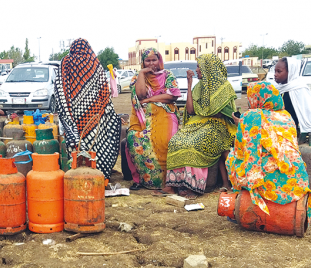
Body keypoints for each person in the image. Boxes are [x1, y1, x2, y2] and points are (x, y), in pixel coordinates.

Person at [226, 81, 311, 219]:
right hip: (296, 176)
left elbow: (246, 152)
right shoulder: (286, 115)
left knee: (231, 158)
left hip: (269, 178)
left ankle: (241, 204)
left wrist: (242, 123)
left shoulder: (251, 116)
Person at [159, 54, 237, 199]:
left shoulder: (224, 87)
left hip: (217, 126)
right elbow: (190, 110)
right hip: (197, 124)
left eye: (199, 67)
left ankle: (193, 186)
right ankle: (173, 185)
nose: (197, 70)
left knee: (194, 143)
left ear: (209, 69)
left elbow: (220, 114)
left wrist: (205, 112)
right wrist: (189, 84)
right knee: (176, 141)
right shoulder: (198, 87)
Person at [54, 38, 121, 179]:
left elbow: (59, 89)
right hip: (94, 115)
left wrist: (66, 115)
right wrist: (104, 111)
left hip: (73, 114)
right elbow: (104, 92)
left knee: (76, 145)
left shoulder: (65, 63)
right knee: (95, 144)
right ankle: (98, 175)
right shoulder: (94, 64)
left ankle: (76, 177)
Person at [125, 48, 181, 190]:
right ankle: (142, 181)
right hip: (141, 117)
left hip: (165, 114)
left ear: (159, 60)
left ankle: (165, 181)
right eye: (147, 60)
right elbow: (141, 95)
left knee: (165, 138)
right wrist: (142, 74)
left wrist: (151, 99)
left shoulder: (168, 75)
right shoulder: (137, 77)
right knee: (133, 139)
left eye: (154, 60)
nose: (151, 63)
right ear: (143, 62)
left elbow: (172, 96)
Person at [274, 57, 311, 133]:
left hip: (292, 130)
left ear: (290, 72)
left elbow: (307, 114)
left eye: (279, 71)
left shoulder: (300, 89)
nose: (275, 74)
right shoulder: (279, 89)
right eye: (275, 71)